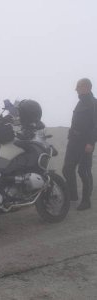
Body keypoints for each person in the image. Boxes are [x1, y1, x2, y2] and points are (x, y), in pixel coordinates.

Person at [62, 78, 97, 210]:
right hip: (74, 141)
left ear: (87, 87)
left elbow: (96, 126)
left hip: (85, 142)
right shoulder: (80, 102)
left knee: (84, 171)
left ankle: (86, 201)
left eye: (78, 86)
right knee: (67, 169)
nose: (76, 89)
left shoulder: (94, 103)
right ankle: (72, 196)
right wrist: (71, 136)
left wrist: (90, 142)